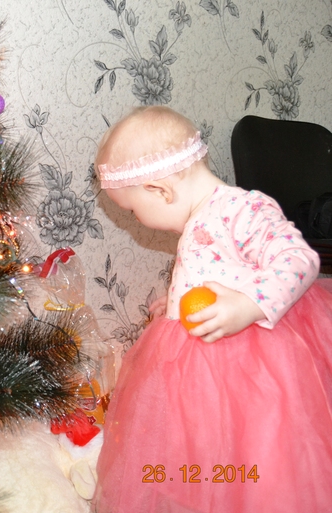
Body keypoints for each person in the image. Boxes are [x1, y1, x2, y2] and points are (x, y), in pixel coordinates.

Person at [92, 106, 332, 512]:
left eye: (132, 209)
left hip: (253, 369)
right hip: (202, 373)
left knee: (254, 450)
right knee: (203, 447)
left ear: (159, 191)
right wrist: (175, 303)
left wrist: (247, 305)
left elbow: (299, 261)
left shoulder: (244, 209)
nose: (137, 219)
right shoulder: (199, 215)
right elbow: (217, 272)